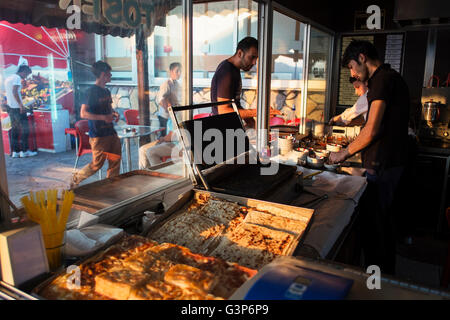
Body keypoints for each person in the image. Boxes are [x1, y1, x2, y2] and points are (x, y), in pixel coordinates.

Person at [329, 40, 410, 275]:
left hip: (382, 164)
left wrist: (343, 153)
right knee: (382, 224)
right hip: (389, 162)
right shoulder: (390, 77)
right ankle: (383, 278)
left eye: (352, 67)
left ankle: (376, 283)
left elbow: (372, 128)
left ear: (362, 58)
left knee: (376, 228)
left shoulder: (381, 81)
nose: (353, 74)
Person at [70, 61, 121, 188]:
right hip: (98, 135)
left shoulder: (107, 91)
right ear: (103, 74)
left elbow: (108, 107)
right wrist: (103, 117)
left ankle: (112, 187)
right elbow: (83, 113)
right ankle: (76, 179)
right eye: (109, 73)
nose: (111, 75)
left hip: (111, 133)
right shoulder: (91, 92)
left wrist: (113, 113)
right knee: (97, 164)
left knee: (115, 161)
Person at [210, 36, 280, 128]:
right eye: (252, 57)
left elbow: (234, 105)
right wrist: (258, 112)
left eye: (256, 58)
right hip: (221, 131)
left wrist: (252, 123)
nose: (254, 62)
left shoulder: (234, 70)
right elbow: (223, 111)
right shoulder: (227, 71)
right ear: (240, 53)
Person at [4, 65, 37, 158]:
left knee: (15, 130)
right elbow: (14, 92)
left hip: (10, 107)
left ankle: (16, 152)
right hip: (18, 108)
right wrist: (21, 105)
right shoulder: (17, 78)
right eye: (26, 74)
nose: (26, 76)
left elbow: (12, 92)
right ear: (23, 71)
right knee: (25, 129)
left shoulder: (9, 78)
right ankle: (24, 151)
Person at [157, 62, 181, 137]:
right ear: (171, 72)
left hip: (172, 116)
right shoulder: (166, 84)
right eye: (177, 71)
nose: (179, 73)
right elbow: (160, 99)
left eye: (180, 71)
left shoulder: (177, 84)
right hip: (165, 117)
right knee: (164, 138)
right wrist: (168, 109)